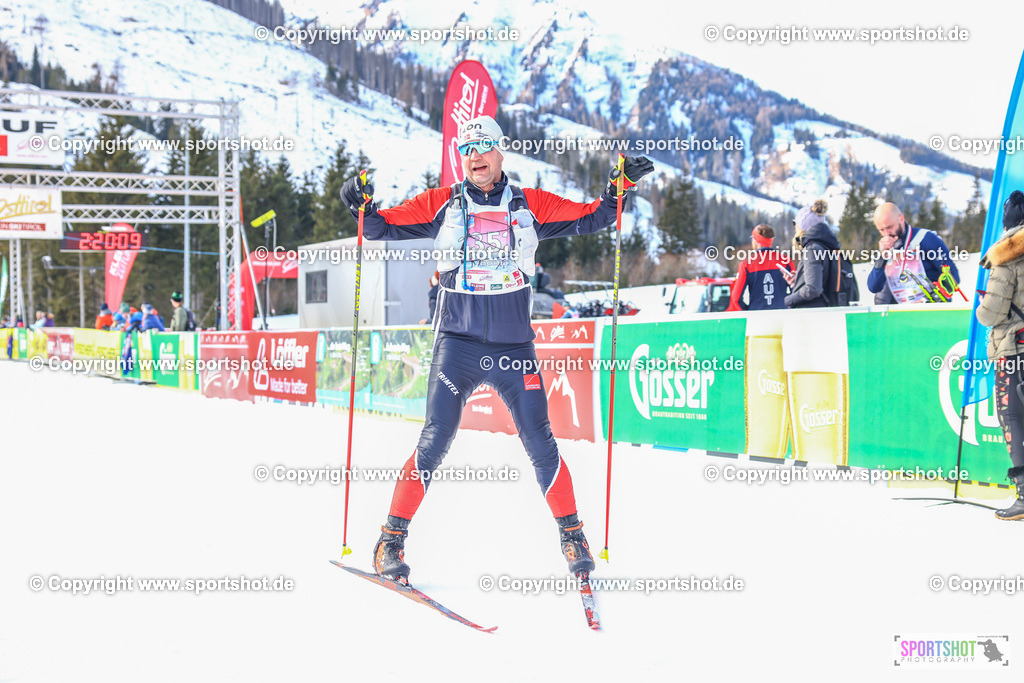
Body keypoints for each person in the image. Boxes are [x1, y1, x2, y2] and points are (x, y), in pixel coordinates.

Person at [340, 115, 654, 581]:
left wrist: (618, 189)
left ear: (500, 152)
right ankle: (390, 540)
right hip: (458, 345)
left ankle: (572, 536)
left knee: (541, 443)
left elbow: (596, 217)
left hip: (513, 349)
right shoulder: (441, 203)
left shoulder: (529, 204)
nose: (475, 156)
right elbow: (380, 227)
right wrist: (360, 205)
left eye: (484, 147)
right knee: (433, 442)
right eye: (467, 149)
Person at [976, 190, 1024, 520]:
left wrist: (982, 306)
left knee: (1014, 419)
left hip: (1015, 352)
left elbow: (990, 314)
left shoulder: (1006, 259)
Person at [866, 202, 959, 304]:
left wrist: (926, 300)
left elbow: (954, 278)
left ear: (901, 219)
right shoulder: (885, 248)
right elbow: (873, 287)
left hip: (930, 311)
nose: (886, 233)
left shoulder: (926, 239)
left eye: (889, 227)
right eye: (881, 230)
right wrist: (881, 257)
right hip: (899, 314)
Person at [783, 200, 840, 309]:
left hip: (811, 315)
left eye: (796, 224)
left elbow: (813, 289)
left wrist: (788, 300)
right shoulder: (827, 246)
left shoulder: (812, 250)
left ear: (802, 228)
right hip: (826, 311)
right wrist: (799, 280)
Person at [728, 224, 793, 311]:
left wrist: (748, 311)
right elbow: (796, 290)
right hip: (781, 315)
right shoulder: (785, 261)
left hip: (757, 316)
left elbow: (736, 297)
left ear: (755, 240)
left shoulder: (746, 264)